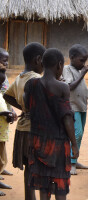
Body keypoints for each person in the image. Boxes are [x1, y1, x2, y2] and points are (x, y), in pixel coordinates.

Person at [23, 48, 79, 200]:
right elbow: (67, 118)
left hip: (37, 141)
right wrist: (74, 144)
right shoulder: (62, 87)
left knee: (43, 183)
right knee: (60, 184)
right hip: (58, 144)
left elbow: (27, 106)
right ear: (60, 65)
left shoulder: (31, 84)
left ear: (42, 62)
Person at [4, 42, 46, 200]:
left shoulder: (19, 78)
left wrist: (24, 108)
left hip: (23, 130)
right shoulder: (37, 79)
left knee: (30, 166)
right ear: (38, 60)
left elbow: (7, 95)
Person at [62, 44, 88, 175]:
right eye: (81, 60)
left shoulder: (78, 72)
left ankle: (74, 159)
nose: (84, 63)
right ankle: (70, 162)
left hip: (82, 107)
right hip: (73, 108)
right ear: (71, 57)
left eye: (85, 60)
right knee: (76, 134)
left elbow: (80, 90)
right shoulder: (67, 69)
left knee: (80, 134)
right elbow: (69, 87)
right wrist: (83, 74)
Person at [0, 48, 17, 177]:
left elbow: (6, 97)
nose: (6, 63)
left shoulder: (4, 77)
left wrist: (11, 110)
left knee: (2, 144)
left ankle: (2, 166)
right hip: (2, 116)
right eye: (4, 61)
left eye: (7, 61)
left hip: (4, 120)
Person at [0, 69, 15, 196]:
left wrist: (9, 113)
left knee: (2, 157)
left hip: (2, 130)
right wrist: (4, 113)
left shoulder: (1, 93)